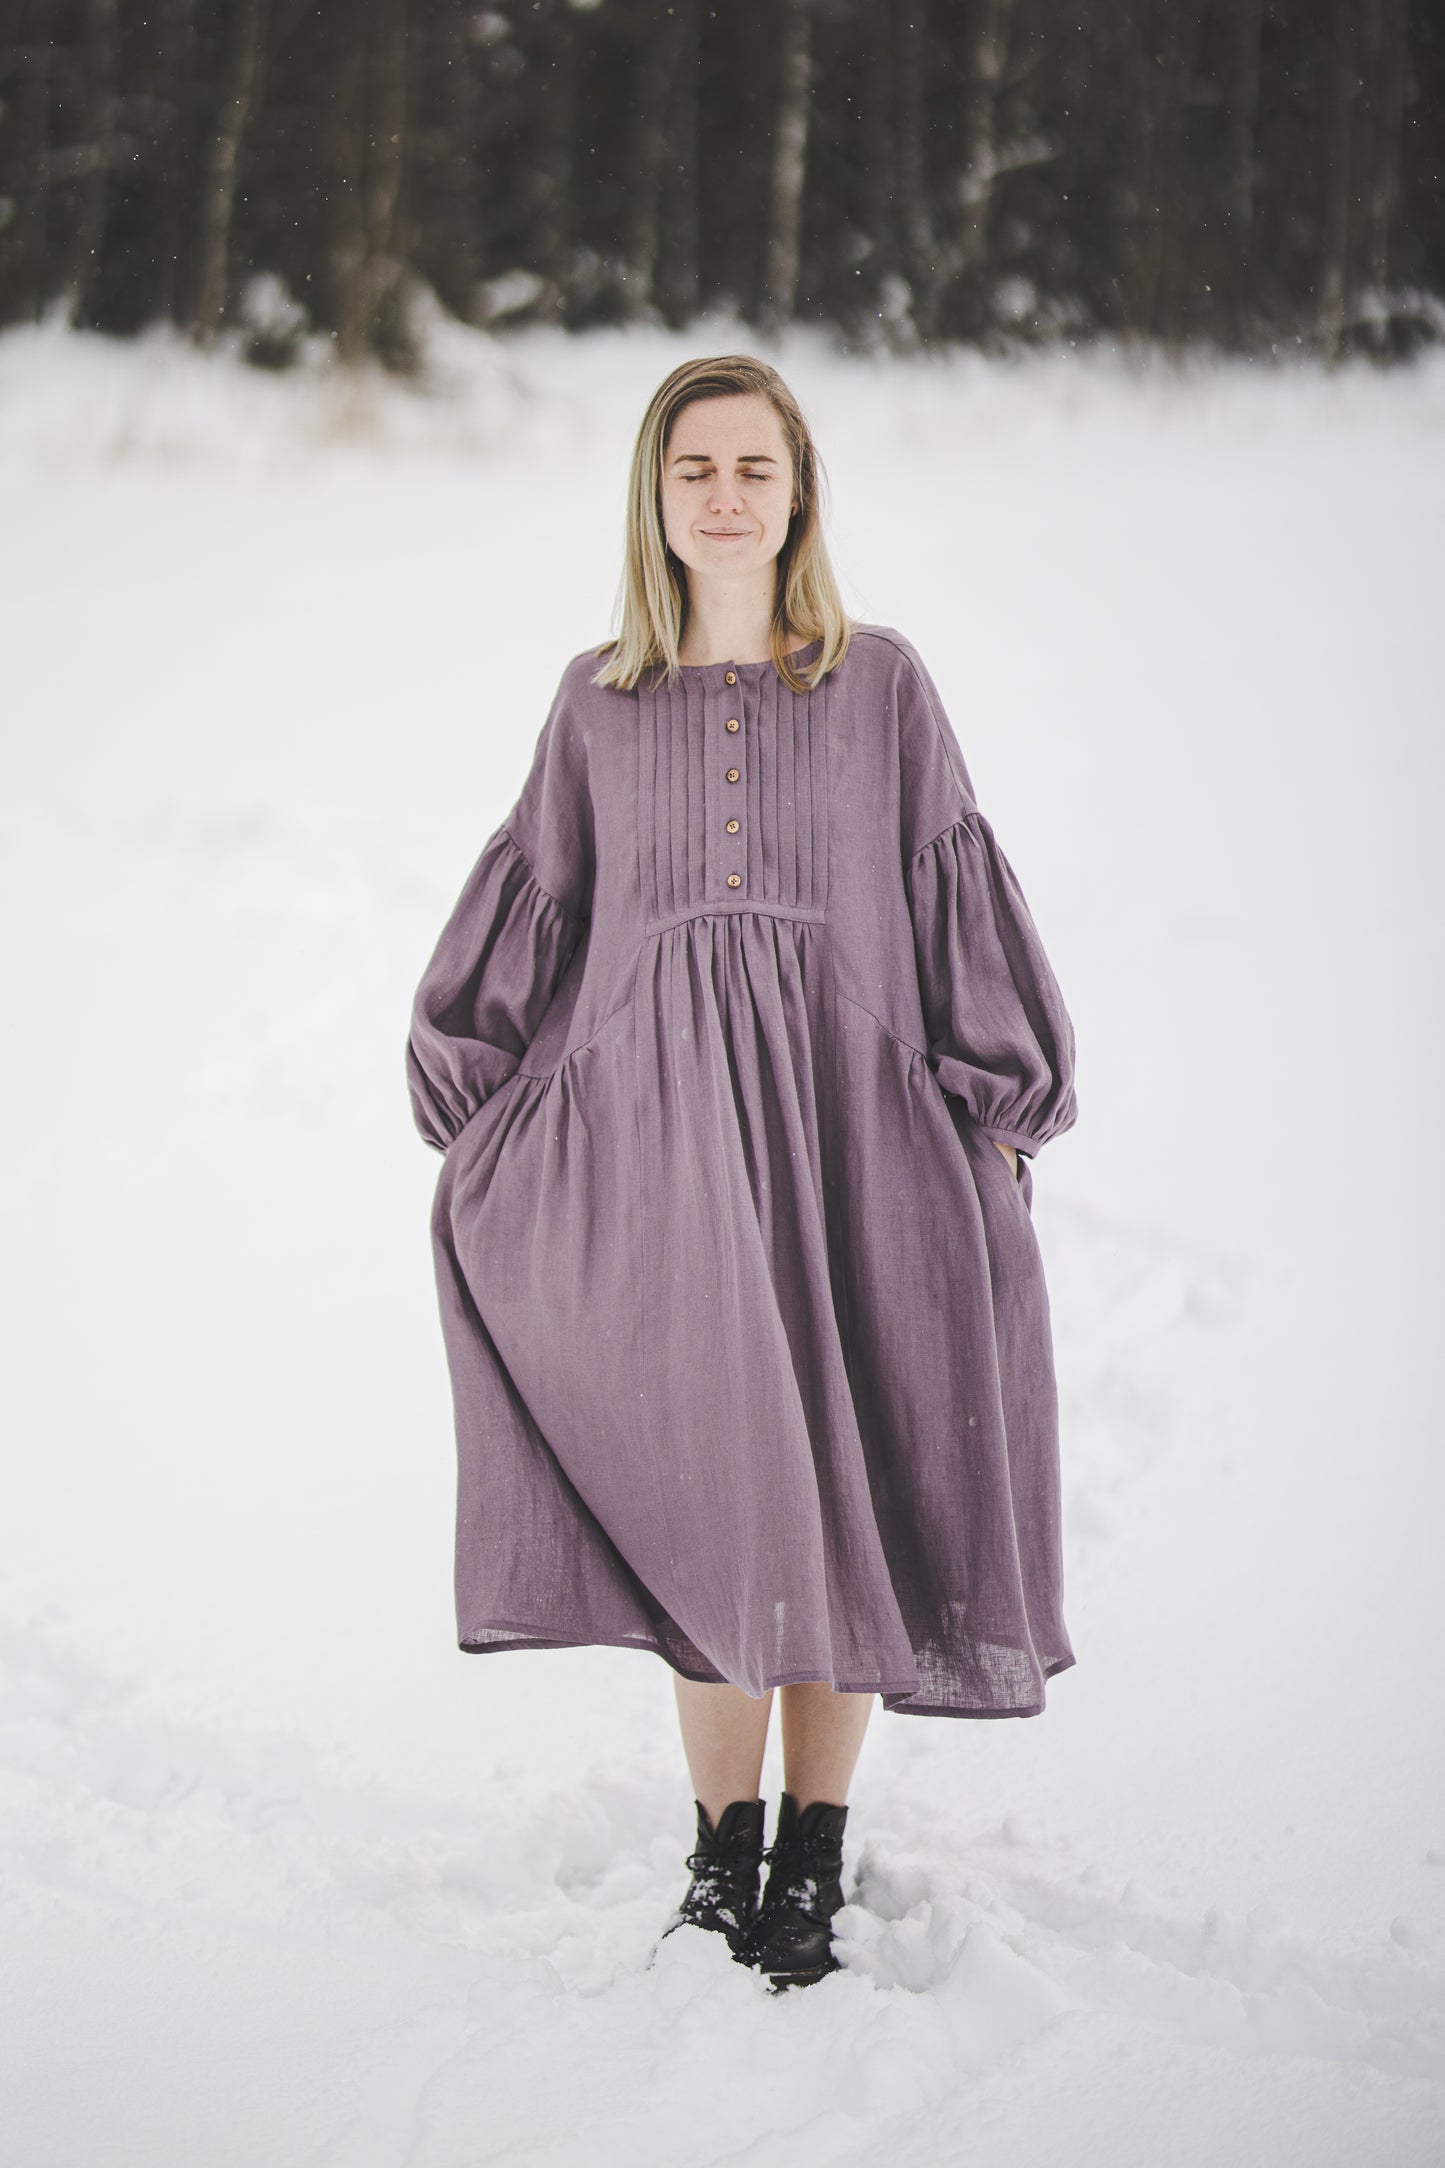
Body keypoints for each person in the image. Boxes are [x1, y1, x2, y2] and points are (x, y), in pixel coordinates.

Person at [405, 354, 1079, 1992]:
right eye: (692, 467)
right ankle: (718, 1861)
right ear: (653, 495)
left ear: (798, 495)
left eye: (753, 470)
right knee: (714, 1511)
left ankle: (813, 1858)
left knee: (837, 1505)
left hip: (854, 1153)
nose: (723, 495)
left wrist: (991, 1104)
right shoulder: (598, 703)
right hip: (665, 1169)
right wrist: (485, 1103)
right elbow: (537, 914)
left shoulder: (878, 688)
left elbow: (942, 897)